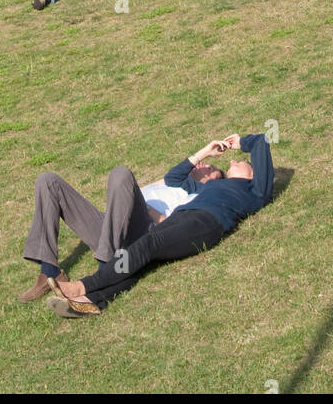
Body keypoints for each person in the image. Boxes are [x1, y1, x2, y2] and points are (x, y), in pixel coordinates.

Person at [49, 131, 274, 316]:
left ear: (254, 174)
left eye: (242, 162)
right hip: (183, 216)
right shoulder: (210, 187)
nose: (234, 160)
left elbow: (262, 141)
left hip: (206, 222)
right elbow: (174, 179)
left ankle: (82, 286)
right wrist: (204, 152)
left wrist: (240, 143)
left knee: (149, 245)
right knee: (145, 257)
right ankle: (92, 301)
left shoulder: (254, 191)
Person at [18, 137, 231, 303]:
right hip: (113, 223)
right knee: (48, 181)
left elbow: (171, 225)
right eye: (204, 164)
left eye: (211, 169)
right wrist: (206, 151)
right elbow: (181, 169)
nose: (204, 166)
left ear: (213, 182)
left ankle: (105, 270)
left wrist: (145, 209)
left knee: (121, 174)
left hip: (140, 234)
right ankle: (50, 272)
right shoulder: (173, 181)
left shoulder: (197, 196)